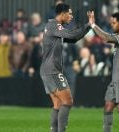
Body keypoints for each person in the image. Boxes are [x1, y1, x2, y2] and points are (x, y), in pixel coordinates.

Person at [40, 3, 92, 132]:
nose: (71, 16)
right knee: (68, 101)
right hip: (52, 70)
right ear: (62, 14)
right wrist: (89, 25)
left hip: (48, 69)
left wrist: (88, 27)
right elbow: (73, 35)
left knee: (58, 104)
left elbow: (73, 39)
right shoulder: (55, 25)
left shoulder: (53, 27)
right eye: (69, 13)